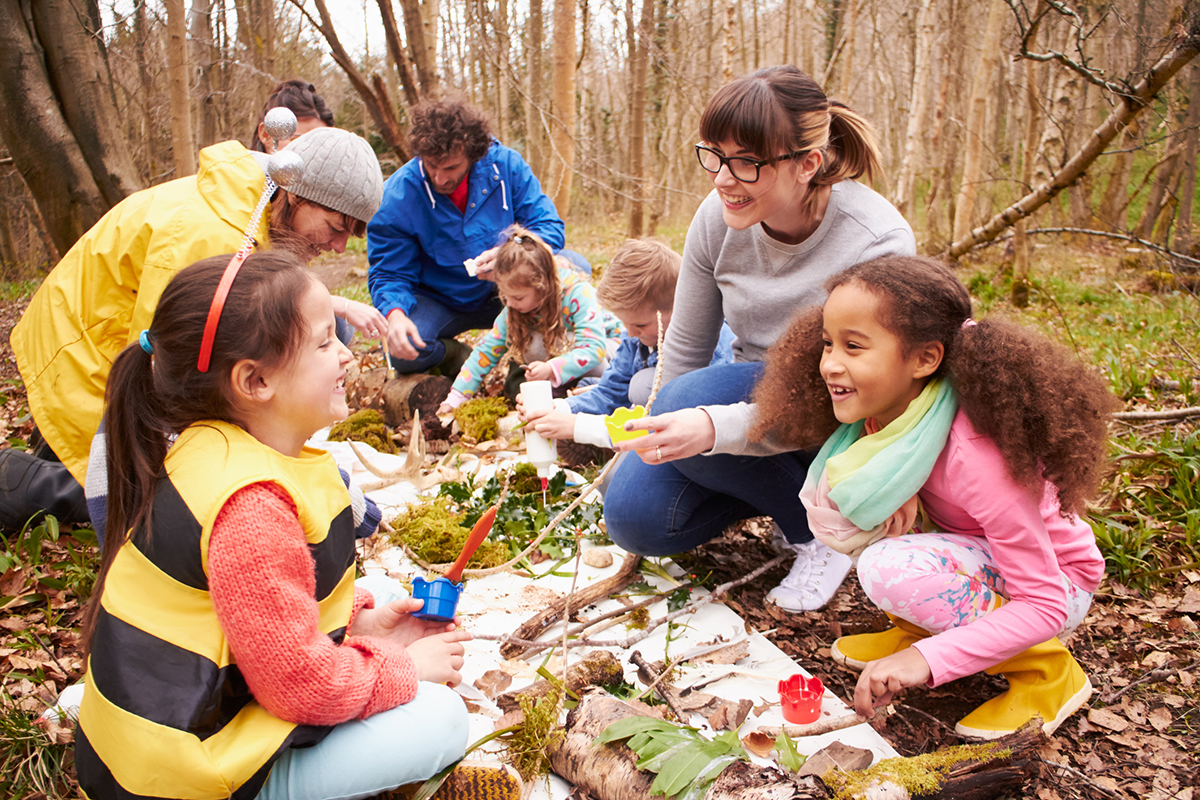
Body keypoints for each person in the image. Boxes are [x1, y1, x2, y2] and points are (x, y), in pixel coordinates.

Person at [74, 251, 522, 800]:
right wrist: (402, 664)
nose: (347, 355)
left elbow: (253, 613)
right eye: (323, 342)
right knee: (440, 719)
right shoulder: (251, 506)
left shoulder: (212, 448)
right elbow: (299, 687)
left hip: (162, 734)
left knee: (375, 600)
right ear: (255, 381)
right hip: (180, 776)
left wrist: (360, 628)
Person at [750, 255, 1118, 739]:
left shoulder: (976, 455)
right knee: (871, 522)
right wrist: (910, 498)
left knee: (889, 566)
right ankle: (922, 625)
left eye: (853, 346)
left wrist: (924, 661)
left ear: (924, 359)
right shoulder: (895, 417)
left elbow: (1044, 600)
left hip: (1057, 586)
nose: (830, 364)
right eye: (827, 343)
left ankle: (1048, 674)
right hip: (984, 557)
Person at [602, 65, 915, 613]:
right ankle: (772, 490)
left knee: (688, 406)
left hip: (839, 417)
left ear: (806, 164)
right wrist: (659, 431)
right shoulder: (715, 220)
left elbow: (866, 392)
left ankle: (817, 532)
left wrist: (707, 423)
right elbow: (685, 348)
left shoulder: (875, 242)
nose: (723, 179)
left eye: (746, 162)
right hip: (749, 398)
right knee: (634, 517)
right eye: (714, 156)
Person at [4, 127, 388, 532]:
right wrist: (305, 476)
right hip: (82, 354)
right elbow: (174, 378)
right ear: (294, 194)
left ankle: (55, 455)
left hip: (116, 343)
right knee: (159, 497)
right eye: (334, 227)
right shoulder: (211, 239)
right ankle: (16, 479)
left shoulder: (258, 209)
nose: (341, 247)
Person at [367, 98, 590, 376]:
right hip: (439, 300)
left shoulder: (506, 167)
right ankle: (455, 358)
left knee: (574, 265)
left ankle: (532, 363)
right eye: (431, 165)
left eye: (450, 168)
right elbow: (389, 272)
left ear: (473, 155)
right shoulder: (397, 195)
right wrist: (395, 314)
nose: (439, 178)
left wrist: (512, 254)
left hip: (506, 292)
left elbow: (548, 226)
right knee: (406, 349)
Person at [519, 238, 734, 448]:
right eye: (626, 323)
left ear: (679, 307)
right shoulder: (636, 336)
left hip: (698, 442)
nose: (630, 332)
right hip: (651, 425)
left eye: (640, 324)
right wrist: (561, 408)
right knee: (610, 484)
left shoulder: (709, 348)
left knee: (643, 384)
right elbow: (610, 392)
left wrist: (579, 426)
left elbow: (672, 425)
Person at [436, 227, 620, 413]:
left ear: (542, 285)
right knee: (533, 345)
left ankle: (600, 392)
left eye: (518, 298)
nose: (510, 304)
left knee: (565, 343)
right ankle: (561, 396)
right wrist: (456, 398)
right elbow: (484, 352)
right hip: (565, 359)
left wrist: (550, 368)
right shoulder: (514, 310)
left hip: (610, 353)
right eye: (505, 297)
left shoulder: (577, 293)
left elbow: (594, 348)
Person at [251, 79, 336, 153]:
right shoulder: (240, 170)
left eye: (320, 144)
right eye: (296, 141)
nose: (310, 153)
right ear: (266, 134)